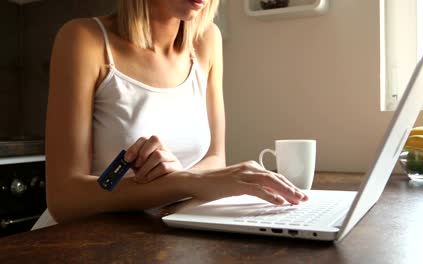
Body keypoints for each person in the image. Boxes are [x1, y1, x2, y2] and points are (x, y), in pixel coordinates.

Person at [33, 0, 307, 229]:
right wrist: (186, 182)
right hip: (79, 240)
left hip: (159, 233)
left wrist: (182, 180)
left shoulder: (207, 41)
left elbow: (214, 157)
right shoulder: (83, 39)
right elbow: (64, 198)